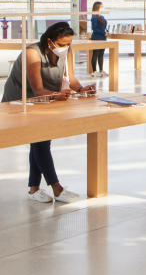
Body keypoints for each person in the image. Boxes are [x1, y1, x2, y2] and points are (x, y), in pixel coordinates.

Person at [1, 20, 94, 203]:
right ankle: (56, 188)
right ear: (50, 41)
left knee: (40, 141)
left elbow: (70, 77)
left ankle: (34, 189)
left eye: (68, 44)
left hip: (46, 100)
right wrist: (56, 95)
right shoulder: (32, 53)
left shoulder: (66, 51)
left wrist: (81, 89)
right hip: (20, 102)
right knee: (41, 142)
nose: (65, 48)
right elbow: (37, 90)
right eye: (61, 44)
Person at [89, 1, 108, 76]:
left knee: (101, 54)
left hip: (103, 38)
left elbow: (104, 27)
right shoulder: (94, 17)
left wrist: (106, 32)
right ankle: (94, 71)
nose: (102, 8)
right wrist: (103, 32)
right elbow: (94, 28)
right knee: (95, 54)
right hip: (96, 38)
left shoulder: (102, 16)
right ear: (97, 8)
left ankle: (101, 70)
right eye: (101, 7)